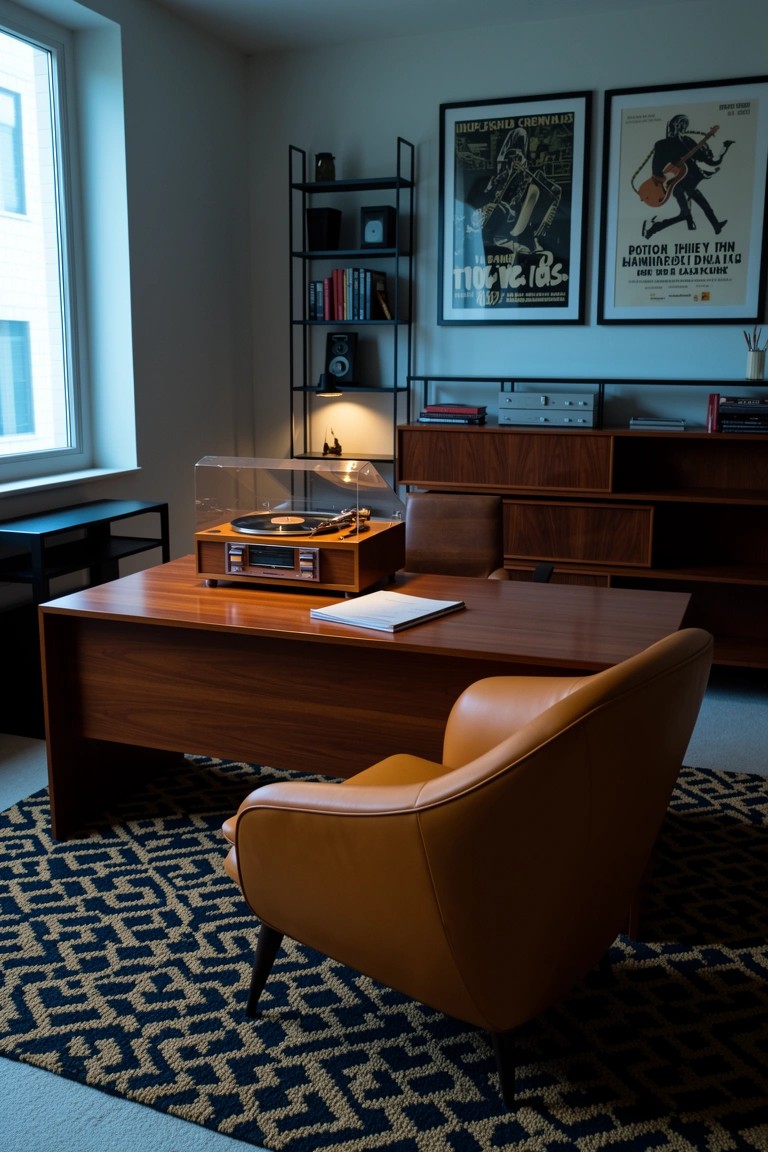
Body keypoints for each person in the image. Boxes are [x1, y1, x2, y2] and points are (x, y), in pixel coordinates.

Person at [639, 114, 733, 239]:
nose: (681, 128)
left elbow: (707, 160)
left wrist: (723, 149)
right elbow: (656, 169)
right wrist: (661, 177)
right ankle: (653, 228)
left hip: (689, 183)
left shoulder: (688, 141)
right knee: (685, 214)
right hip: (675, 185)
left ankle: (716, 225)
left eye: (684, 125)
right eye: (679, 125)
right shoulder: (662, 144)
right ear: (672, 126)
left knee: (702, 204)